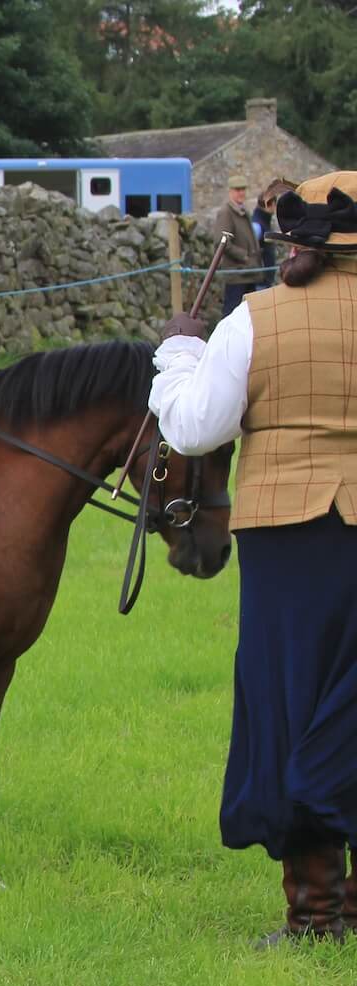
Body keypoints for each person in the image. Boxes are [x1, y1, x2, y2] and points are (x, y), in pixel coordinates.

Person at [148, 170, 357, 946]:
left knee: (291, 700)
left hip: (288, 537)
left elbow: (196, 428)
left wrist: (178, 355)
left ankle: (315, 914)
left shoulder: (256, 319)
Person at [213, 174, 261, 314]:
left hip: (249, 273)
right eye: (237, 190)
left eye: (243, 189)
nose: (241, 193)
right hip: (237, 274)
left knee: (249, 314)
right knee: (232, 312)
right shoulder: (226, 212)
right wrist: (244, 256)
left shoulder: (243, 211)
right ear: (230, 191)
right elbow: (221, 242)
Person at [251, 177, 297, 292]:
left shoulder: (262, 222)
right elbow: (251, 249)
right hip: (259, 278)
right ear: (270, 204)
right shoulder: (257, 225)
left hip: (263, 277)